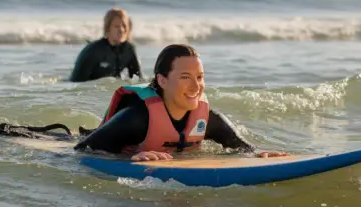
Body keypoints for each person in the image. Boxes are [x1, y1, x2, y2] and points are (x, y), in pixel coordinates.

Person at [74, 43, 289, 161]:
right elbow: (83, 150)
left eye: (200, 77)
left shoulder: (209, 120)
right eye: (185, 77)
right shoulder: (136, 118)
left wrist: (260, 155)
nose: (196, 87)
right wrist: (127, 158)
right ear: (162, 80)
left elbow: (243, 149)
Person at [69, 8, 142, 82]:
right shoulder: (92, 51)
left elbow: (139, 80)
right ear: (107, 28)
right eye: (117, 26)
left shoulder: (129, 50)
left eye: (124, 26)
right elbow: (76, 82)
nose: (121, 30)